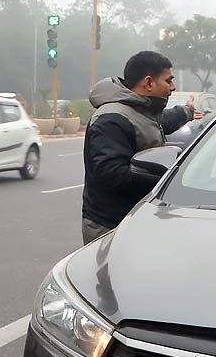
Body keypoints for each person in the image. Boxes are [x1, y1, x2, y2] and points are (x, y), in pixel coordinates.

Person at [81, 51, 202, 244]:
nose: (173, 86)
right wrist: (168, 178)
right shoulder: (111, 119)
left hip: (137, 218)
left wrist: (186, 111)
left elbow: (161, 122)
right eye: (168, 80)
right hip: (112, 225)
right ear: (148, 83)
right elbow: (111, 173)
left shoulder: (141, 111)